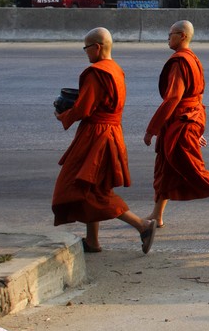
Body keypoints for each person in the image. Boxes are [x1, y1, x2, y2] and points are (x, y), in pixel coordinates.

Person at [52, 27, 156, 254]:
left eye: (86, 48)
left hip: (96, 136)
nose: (86, 53)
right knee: (90, 184)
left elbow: (83, 107)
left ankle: (142, 225)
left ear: (97, 47)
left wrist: (63, 115)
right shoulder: (116, 69)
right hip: (112, 132)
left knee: (81, 188)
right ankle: (93, 241)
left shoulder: (95, 72)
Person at [143, 20, 209, 234]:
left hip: (181, 119)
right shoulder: (193, 59)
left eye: (170, 34)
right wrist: (195, 126)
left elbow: (173, 98)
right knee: (165, 167)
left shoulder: (180, 61)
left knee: (193, 168)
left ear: (182, 36)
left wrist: (153, 128)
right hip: (187, 118)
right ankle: (157, 215)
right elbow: (198, 95)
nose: (168, 38)